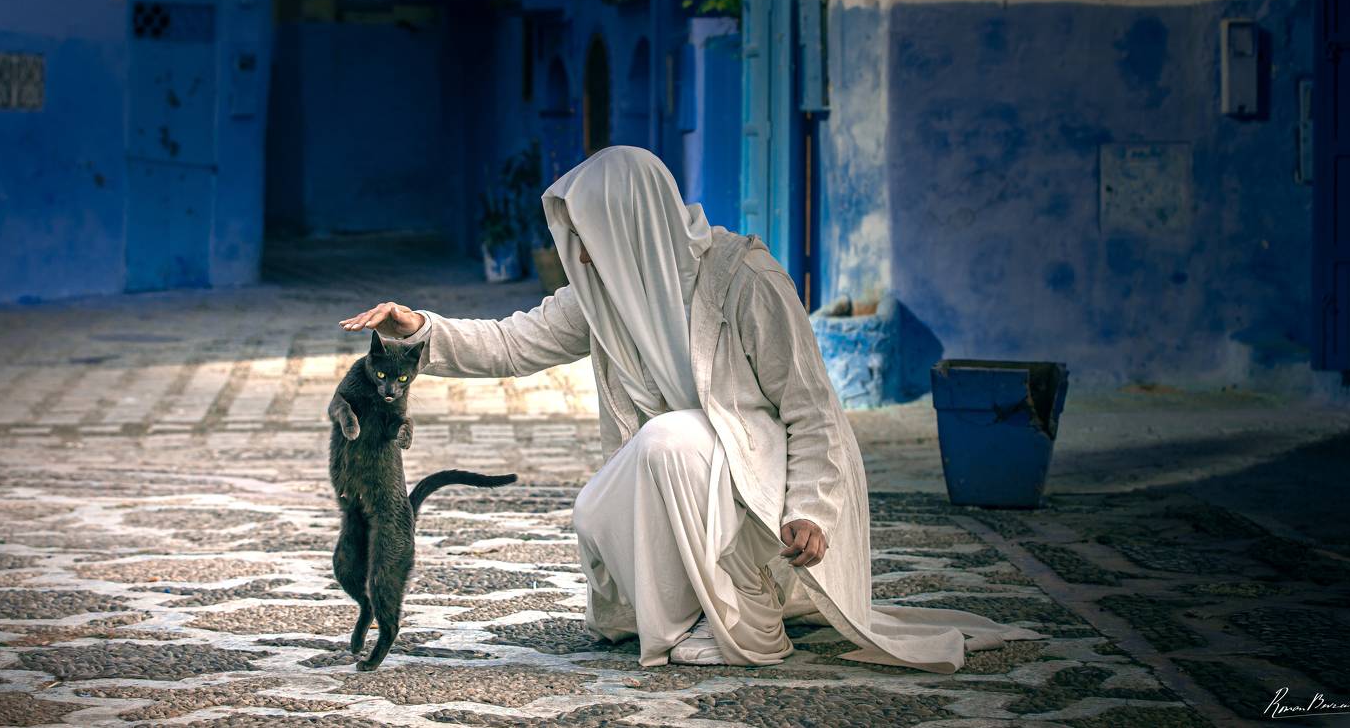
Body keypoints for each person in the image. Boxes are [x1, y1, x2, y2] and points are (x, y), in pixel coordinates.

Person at [337, 146, 1042, 671]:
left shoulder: (744, 281)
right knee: (595, 506)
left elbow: (813, 410)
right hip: (697, 481)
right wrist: (419, 328)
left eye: (588, 232)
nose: (576, 250)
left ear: (632, 225)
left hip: (774, 497)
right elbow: (515, 340)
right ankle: (686, 609)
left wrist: (812, 510)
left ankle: (748, 616)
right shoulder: (605, 295)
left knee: (671, 439)